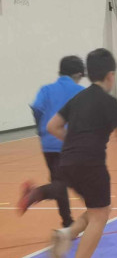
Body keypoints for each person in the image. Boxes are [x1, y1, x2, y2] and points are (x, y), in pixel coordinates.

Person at [21, 49, 117, 258]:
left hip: (67, 162)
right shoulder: (109, 102)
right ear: (111, 75)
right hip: (91, 163)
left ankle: (67, 234)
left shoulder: (79, 98)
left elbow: (53, 126)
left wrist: (73, 142)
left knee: (99, 209)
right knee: (100, 216)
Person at [18, 56, 86, 228]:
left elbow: (37, 108)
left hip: (48, 144)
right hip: (69, 143)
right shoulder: (81, 91)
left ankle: (67, 223)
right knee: (72, 183)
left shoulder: (46, 89)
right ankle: (36, 193)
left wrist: (41, 129)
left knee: (59, 183)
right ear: (78, 74)